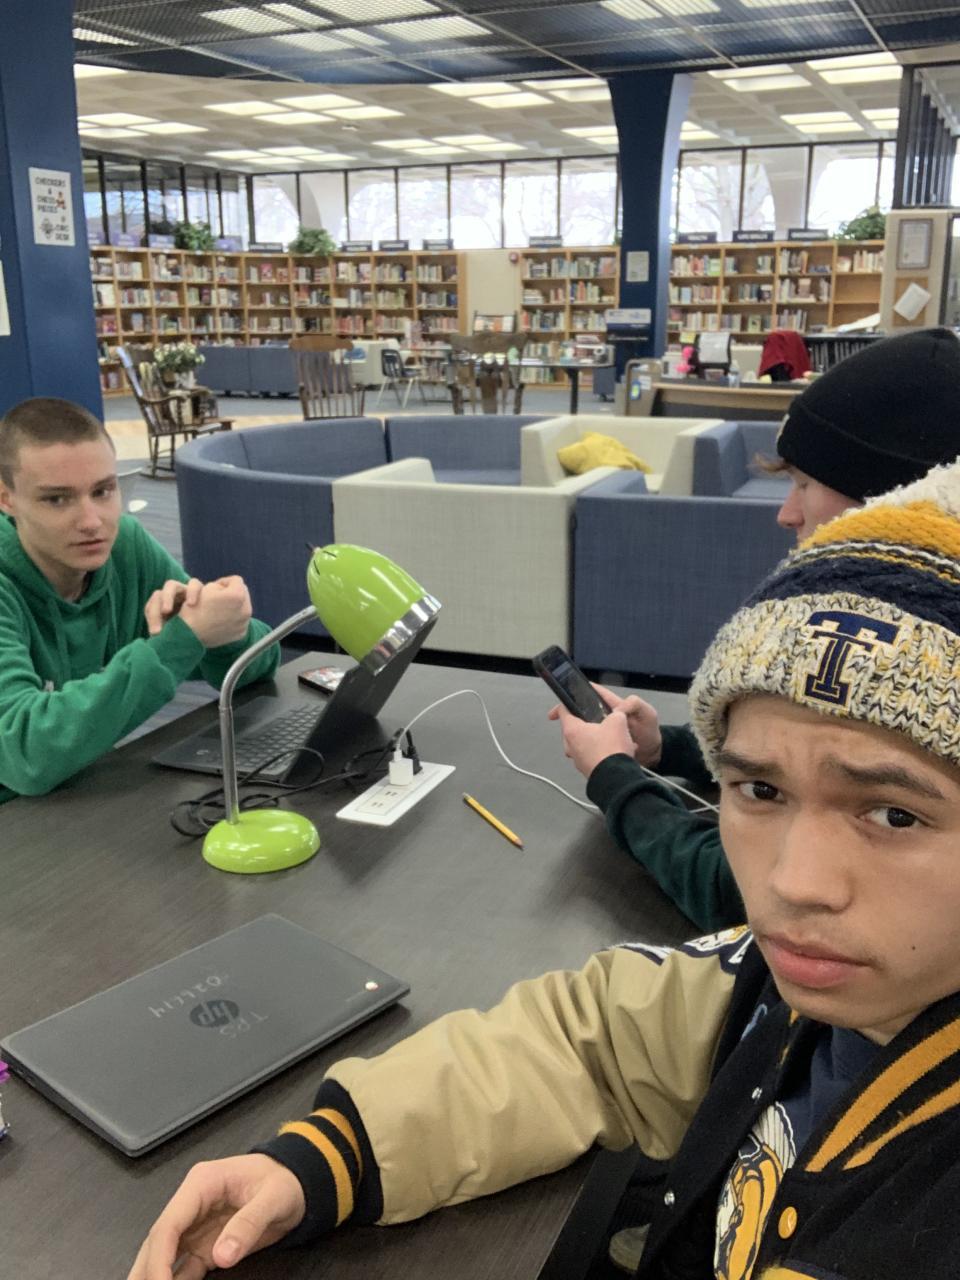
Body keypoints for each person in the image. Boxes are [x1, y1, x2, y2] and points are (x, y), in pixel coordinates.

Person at [129, 460, 960, 1280]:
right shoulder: (784, 988)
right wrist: (328, 1159)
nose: (792, 883)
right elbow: (593, 1039)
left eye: (894, 814)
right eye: (760, 790)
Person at [552, 326, 960, 931]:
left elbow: (739, 893)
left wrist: (615, 778)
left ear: (888, 495)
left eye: (805, 484)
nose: (787, 513)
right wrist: (667, 749)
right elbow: (823, 763)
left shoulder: (884, 653)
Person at [0, 396, 279, 803]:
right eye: (57, 499)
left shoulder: (124, 546)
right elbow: (24, 753)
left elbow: (260, 666)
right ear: (6, 498)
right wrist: (180, 642)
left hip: (79, 790)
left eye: (103, 491)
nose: (92, 521)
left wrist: (227, 631)